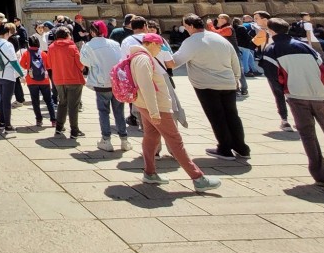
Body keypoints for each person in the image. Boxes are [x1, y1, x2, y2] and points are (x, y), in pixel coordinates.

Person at [259, 18, 324, 186]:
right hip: (319, 95)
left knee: (307, 135)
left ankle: (321, 175)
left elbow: (273, 76)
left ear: (270, 31)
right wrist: (319, 85)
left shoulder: (272, 49)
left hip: (296, 96)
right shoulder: (305, 46)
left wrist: (286, 89)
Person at [130, 34, 222, 192]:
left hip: (146, 105)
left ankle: (150, 173)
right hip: (156, 107)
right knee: (175, 140)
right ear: (151, 43)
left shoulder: (138, 57)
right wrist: (154, 112)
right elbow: (147, 86)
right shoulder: (144, 59)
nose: (161, 49)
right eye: (160, 46)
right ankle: (198, 178)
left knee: (151, 137)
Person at [173, 14, 249, 160]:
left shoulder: (192, 41)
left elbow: (176, 61)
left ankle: (225, 149)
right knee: (232, 115)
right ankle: (242, 148)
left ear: (189, 26)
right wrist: (235, 79)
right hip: (228, 83)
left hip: (207, 85)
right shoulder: (218, 37)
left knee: (217, 116)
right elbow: (234, 59)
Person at [80, 19, 130, 152]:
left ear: (91, 31)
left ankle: (106, 140)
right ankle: (124, 140)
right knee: (119, 111)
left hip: (101, 82)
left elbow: (84, 61)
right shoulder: (114, 43)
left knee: (104, 111)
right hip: (116, 81)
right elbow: (121, 59)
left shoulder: (88, 46)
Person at [254, 10, 294, 131]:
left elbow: (253, 44)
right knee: (287, 93)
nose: (255, 20)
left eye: (257, 18)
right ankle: (286, 119)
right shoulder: (264, 32)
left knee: (280, 93)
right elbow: (254, 44)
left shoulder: (268, 32)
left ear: (265, 20)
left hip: (274, 65)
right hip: (282, 64)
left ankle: (286, 119)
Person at [46, 27, 85, 140]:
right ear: (67, 35)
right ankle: (74, 130)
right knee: (73, 106)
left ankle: (59, 127)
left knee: (62, 103)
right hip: (73, 79)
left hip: (58, 80)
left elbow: (49, 64)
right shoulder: (72, 47)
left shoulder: (51, 47)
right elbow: (80, 64)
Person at [0, 24, 24, 136]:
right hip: (8, 75)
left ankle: (1, 123)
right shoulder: (8, 44)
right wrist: (21, 74)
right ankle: (8, 125)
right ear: (6, 33)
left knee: (1, 99)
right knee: (6, 101)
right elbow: (13, 61)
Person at [19, 36, 55, 127]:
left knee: (35, 101)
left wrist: (28, 66)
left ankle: (39, 120)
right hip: (44, 80)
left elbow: (22, 64)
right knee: (49, 101)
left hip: (31, 80)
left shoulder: (26, 53)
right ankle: (53, 120)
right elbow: (49, 65)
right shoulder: (43, 53)